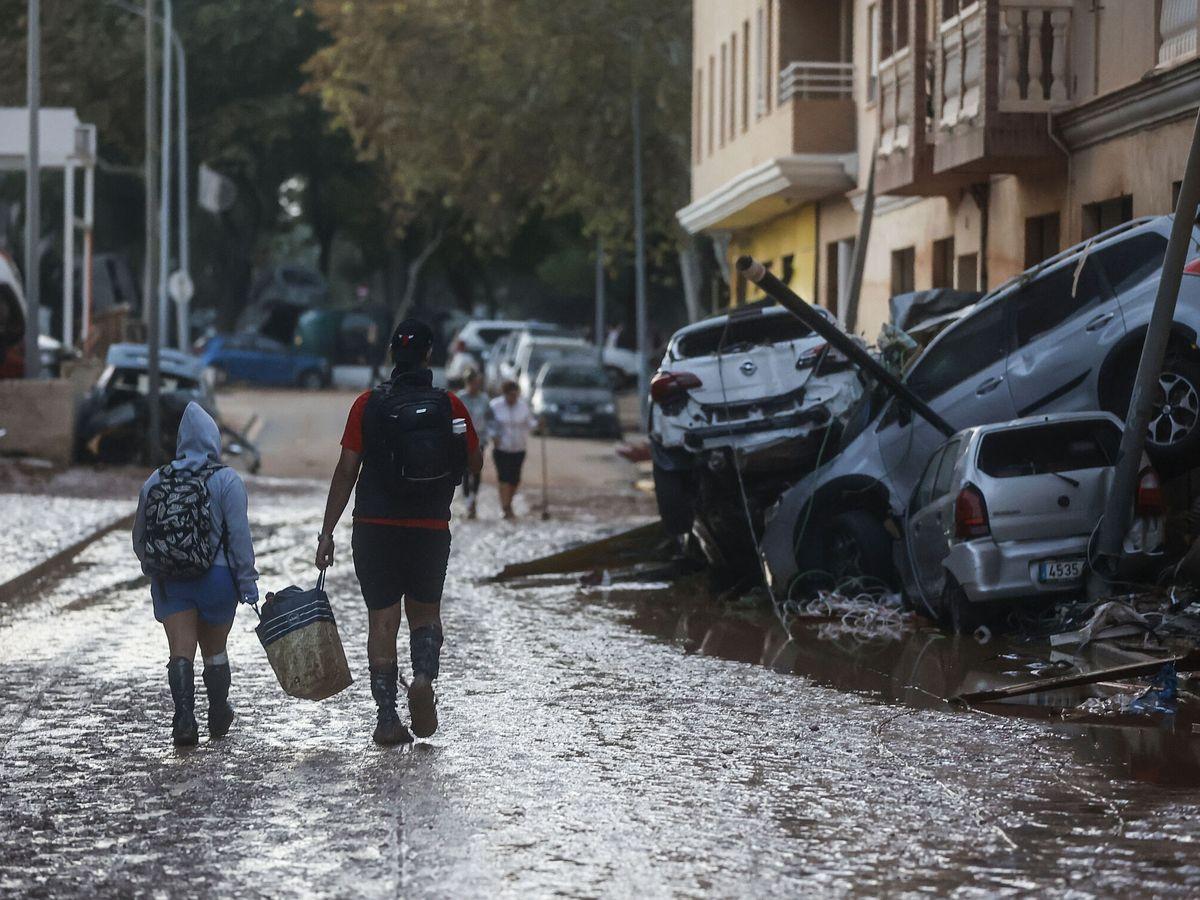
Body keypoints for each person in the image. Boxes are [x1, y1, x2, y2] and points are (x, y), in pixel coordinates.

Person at [316, 319, 483, 745]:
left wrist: (326, 532)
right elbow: (474, 464)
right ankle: (424, 677)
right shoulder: (451, 407)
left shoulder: (366, 405)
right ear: (430, 356)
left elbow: (346, 471)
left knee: (382, 621)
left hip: (374, 528)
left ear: (392, 355)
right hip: (429, 528)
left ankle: (387, 717)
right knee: (425, 616)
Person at [133, 401, 259, 746]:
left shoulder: (157, 479)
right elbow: (239, 539)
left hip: (172, 582)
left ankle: (184, 719)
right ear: (213, 440)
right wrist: (247, 584)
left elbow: (140, 536)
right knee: (215, 649)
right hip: (217, 581)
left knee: (180, 651)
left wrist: (154, 568)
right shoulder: (227, 481)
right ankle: (218, 711)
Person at [487, 380, 540, 519]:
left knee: (515, 479)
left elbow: (530, 423)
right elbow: (488, 424)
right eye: (510, 395)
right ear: (505, 394)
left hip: (519, 448)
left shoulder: (523, 406)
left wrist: (539, 424)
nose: (513, 397)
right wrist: (493, 436)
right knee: (503, 478)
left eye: (515, 394)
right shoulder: (495, 406)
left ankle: (508, 503)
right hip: (501, 448)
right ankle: (506, 508)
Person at [458, 369, 490, 519]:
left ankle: (473, 498)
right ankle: (467, 501)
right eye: (474, 383)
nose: (476, 385)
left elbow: (490, 419)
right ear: (468, 383)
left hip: (479, 439)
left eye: (478, 383)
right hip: (462, 440)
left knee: (477, 470)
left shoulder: (484, 399)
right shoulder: (460, 398)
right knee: (464, 471)